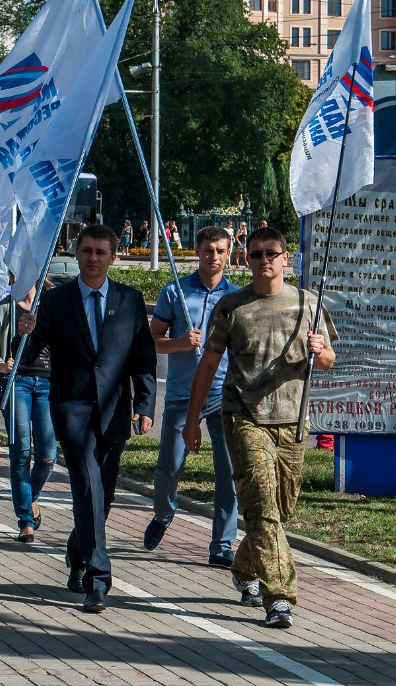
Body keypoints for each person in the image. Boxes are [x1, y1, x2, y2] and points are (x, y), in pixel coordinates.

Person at [183, 226, 337, 630]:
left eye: (271, 253)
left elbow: (328, 361)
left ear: (286, 258)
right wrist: (191, 420)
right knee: (263, 508)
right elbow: (209, 365)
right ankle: (279, 597)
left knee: (280, 510)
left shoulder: (308, 303)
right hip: (243, 416)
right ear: (245, 260)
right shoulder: (233, 307)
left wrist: (320, 352)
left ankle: (244, 564)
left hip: (292, 420)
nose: (264, 260)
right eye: (255, 254)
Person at [17, 223, 156, 614]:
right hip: (72, 410)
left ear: (113, 257)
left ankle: (78, 554)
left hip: (114, 411)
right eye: (86, 251)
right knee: (87, 485)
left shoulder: (129, 300)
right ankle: (99, 578)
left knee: (103, 495)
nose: (92, 258)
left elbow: (143, 356)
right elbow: (28, 356)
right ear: (77, 254)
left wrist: (145, 403)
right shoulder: (57, 301)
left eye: (100, 252)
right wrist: (24, 332)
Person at [143, 226, 240, 567]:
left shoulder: (237, 299)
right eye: (207, 250)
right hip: (183, 394)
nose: (213, 256)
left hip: (223, 395)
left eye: (220, 251)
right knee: (170, 466)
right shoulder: (175, 292)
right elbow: (152, 340)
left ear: (229, 255)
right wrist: (181, 342)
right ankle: (163, 514)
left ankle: (222, 544)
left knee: (228, 470)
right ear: (197, 252)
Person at [0, 280, 54, 543]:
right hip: (17, 384)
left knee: (48, 455)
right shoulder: (5, 309)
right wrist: (2, 364)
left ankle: (31, 496)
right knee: (21, 451)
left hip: (48, 384)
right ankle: (26, 520)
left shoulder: (50, 305)